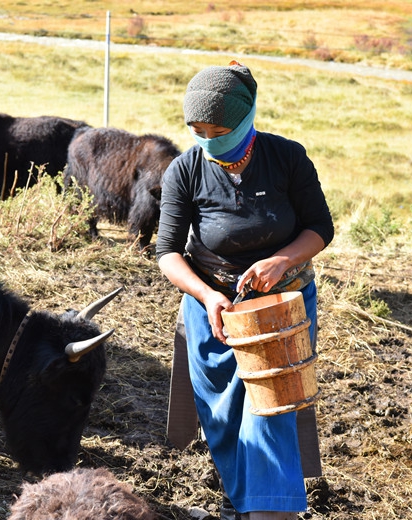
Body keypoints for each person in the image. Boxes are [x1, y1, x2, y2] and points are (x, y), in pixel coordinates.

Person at [156, 61, 335, 520]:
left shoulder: (287, 158)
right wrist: (206, 295)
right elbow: (168, 253)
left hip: (280, 307)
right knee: (222, 417)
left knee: (269, 410)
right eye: (197, 129)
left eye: (217, 128)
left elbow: (320, 227)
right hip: (213, 309)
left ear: (244, 118)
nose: (207, 137)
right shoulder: (184, 171)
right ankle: (243, 504)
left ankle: (271, 513)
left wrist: (281, 261)